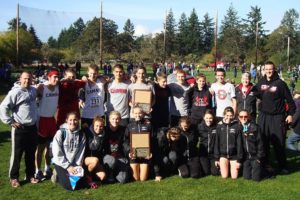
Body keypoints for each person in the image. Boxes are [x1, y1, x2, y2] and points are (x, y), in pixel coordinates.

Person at [0, 71, 39, 187]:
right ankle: (14, 177)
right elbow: (3, 107)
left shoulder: (33, 90)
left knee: (31, 154)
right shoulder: (15, 92)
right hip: (20, 128)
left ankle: (30, 175)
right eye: (25, 78)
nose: (27, 81)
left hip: (32, 127)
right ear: (20, 79)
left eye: (29, 79)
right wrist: (10, 121)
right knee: (17, 154)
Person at [256, 61, 296, 174]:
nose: (268, 71)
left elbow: (290, 101)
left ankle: (283, 166)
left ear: (274, 70)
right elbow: (255, 93)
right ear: (264, 70)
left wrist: (290, 114)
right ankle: (265, 164)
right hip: (263, 116)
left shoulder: (280, 83)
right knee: (263, 141)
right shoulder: (261, 82)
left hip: (277, 117)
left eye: (270, 69)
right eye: (266, 69)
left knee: (278, 142)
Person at [34, 69, 60, 181]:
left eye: (58, 77)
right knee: (40, 148)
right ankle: (37, 171)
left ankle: (47, 168)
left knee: (50, 147)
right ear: (48, 77)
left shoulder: (58, 87)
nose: (57, 79)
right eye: (54, 77)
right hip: (42, 120)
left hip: (51, 120)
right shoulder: (42, 87)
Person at [51, 112, 86, 190]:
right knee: (70, 187)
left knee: (79, 184)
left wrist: (77, 166)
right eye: (70, 120)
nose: (72, 122)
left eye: (75, 120)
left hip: (73, 164)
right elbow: (57, 152)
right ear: (66, 120)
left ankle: (62, 175)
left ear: (78, 120)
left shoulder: (81, 135)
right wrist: (68, 166)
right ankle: (56, 173)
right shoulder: (61, 132)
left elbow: (80, 153)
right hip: (61, 163)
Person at [124, 107, 155, 181]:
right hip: (134, 154)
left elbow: (153, 140)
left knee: (143, 179)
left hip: (145, 154)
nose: (138, 115)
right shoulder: (129, 126)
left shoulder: (149, 125)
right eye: (136, 113)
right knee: (136, 179)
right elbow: (125, 141)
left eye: (140, 113)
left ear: (143, 114)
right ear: (133, 114)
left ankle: (149, 168)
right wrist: (129, 152)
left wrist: (151, 152)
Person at [214, 107, 243, 179]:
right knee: (224, 176)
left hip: (234, 155)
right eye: (227, 115)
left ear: (233, 115)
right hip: (223, 155)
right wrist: (217, 158)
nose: (229, 117)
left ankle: (232, 166)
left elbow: (239, 144)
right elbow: (216, 142)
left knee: (234, 177)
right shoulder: (219, 126)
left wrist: (239, 160)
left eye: (231, 115)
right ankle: (224, 166)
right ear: (224, 115)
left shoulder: (237, 126)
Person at [103, 111, 130, 184]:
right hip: (108, 156)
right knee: (111, 160)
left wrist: (128, 152)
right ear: (109, 119)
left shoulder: (123, 130)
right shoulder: (104, 129)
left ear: (120, 120)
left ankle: (115, 172)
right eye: (113, 119)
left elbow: (126, 143)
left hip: (119, 156)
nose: (115, 121)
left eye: (117, 119)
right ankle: (109, 174)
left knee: (123, 180)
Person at [239, 109, 265, 181]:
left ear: (249, 117)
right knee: (246, 177)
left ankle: (265, 170)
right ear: (238, 117)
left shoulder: (255, 127)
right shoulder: (239, 128)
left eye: (245, 116)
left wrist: (259, 157)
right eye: (241, 116)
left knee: (256, 178)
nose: (243, 118)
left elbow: (260, 143)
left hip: (255, 156)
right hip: (246, 158)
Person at [83, 116, 106, 188]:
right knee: (95, 160)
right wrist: (83, 127)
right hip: (85, 159)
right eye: (97, 126)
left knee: (103, 176)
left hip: (98, 160)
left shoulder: (104, 135)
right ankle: (88, 177)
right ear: (93, 125)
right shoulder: (87, 131)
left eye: (101, 126)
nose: (99, 128)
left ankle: (91, 176)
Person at [197, 110, 219, 176]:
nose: (209, 120)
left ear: (213, 118)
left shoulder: (217, 127)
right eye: (207, 118)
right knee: (206, 172)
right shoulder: (199, 127)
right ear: (204, 117)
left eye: (210, 118)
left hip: (213, 154)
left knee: (215, 173)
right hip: (203, 154)